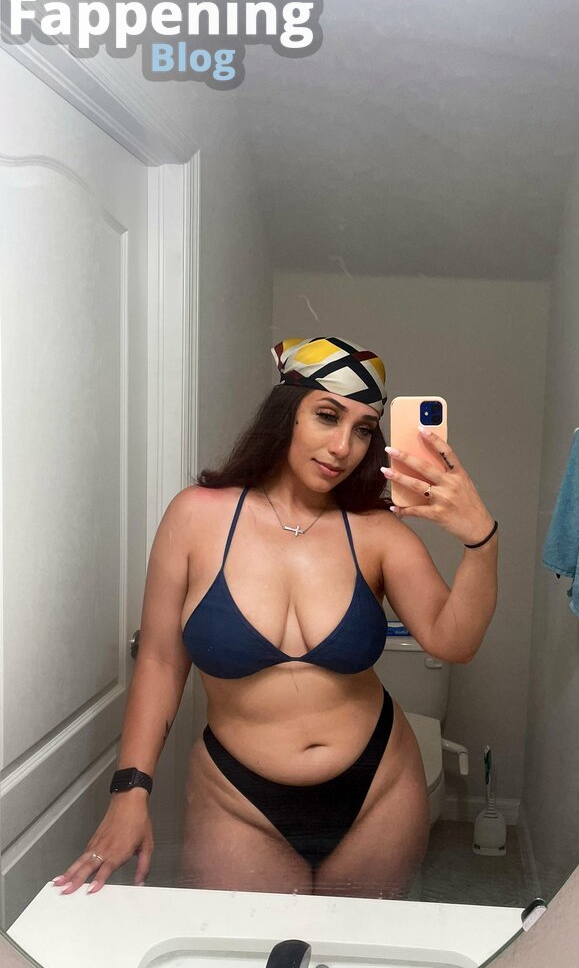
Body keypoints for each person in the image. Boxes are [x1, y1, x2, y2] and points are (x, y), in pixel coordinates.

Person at [54, 335, 498, 900]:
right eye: (327, 416)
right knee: (243, 951)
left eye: (364, 429)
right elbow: (162, 661)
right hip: (238, 798)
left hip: (379, 788)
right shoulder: (195, 518)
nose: (344, 447)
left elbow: (454, 642)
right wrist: (130, 791)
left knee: (359, 951)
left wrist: (481, 540)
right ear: (286, 414)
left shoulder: (378, 532)